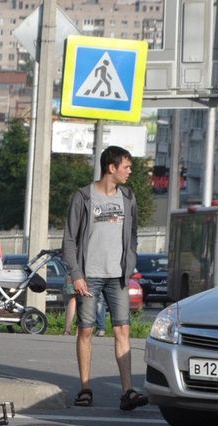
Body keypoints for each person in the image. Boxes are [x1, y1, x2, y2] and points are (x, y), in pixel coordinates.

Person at [62, 144, 147, 411]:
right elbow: (69, 239)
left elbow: (132, 235)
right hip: (89, 276)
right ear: (111, 167)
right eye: (127, 167)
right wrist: (76, 274)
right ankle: (85, 387)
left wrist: (129, 262)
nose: (130, 172)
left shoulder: (128, 197)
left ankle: (127, 391)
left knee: (123, 329)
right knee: (86, 329)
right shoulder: (83, 197)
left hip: (118, 276)